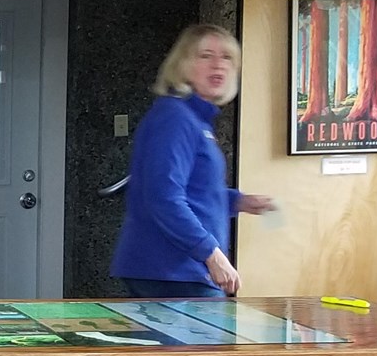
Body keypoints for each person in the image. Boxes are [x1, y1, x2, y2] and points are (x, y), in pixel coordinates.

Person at [111, 24, 275, 298]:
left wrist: (237, 201)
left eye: (226, 58)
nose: (218, 65)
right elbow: (164, 197)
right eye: (205, 56)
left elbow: (190, 190)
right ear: (183, 65)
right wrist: (212, 255)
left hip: (181, 271)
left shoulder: (194, 119)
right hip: (171, 272)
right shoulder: (174, 118)